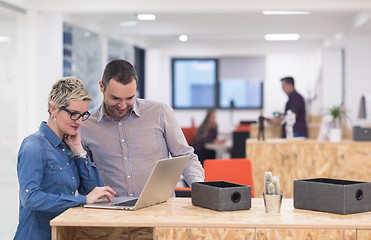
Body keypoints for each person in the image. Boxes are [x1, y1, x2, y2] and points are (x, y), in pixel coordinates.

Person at [80, 59, 204, 197]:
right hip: (112, 210)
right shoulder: (85, 124)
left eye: (129, 98)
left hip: (159, 207)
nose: (122, 105)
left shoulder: (160, 112)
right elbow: (85, 174)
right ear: (102, 86)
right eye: (115, 98)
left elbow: (185, 156)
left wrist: (198, 186)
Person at [14, 77, 116, 240]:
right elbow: (30, 198)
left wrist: (79, 152)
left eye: (83, 115)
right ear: (53, 109)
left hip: (63, 234)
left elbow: (94, 192)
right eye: (74, 115)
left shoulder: (70, 145)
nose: (80, 122)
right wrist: (81, 200)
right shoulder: (33, 146)